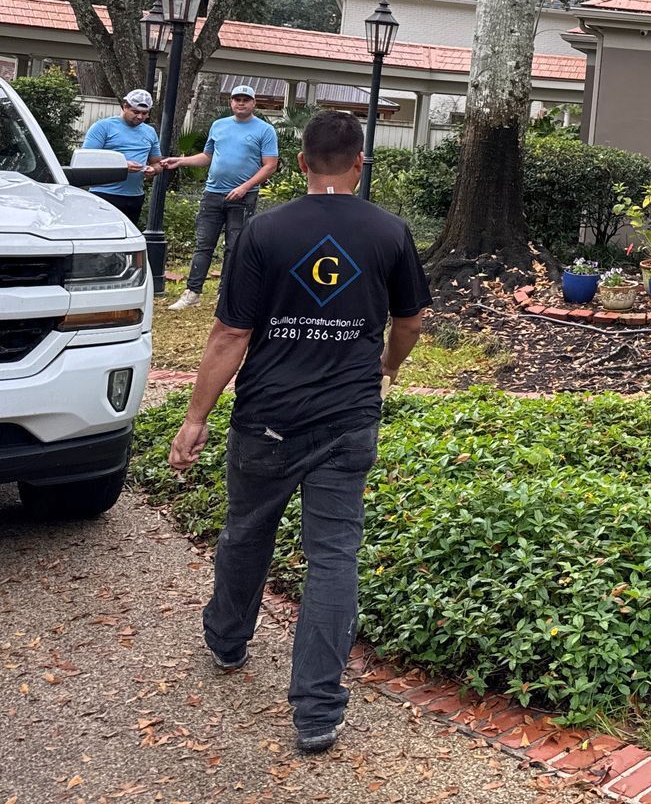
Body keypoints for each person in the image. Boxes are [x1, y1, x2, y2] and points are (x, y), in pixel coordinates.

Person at [167, 109, 430, 755]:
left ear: (304, 163)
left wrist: (195, 417)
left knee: (247, 531)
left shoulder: (264, 231)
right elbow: (413, 319)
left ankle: (228, 642)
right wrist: (388, 367)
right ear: (361, 162)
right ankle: (317, 711)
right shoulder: (390, 232)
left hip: (267, 421)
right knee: (334, 558)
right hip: (348, 421)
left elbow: (231, 333)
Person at [162, 83, 279, 309]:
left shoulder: (265, 130)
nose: (241, 103)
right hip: (212, 194)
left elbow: (270, 166)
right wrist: (180, 161)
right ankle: (192, 293)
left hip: (243, 198)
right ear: (231, 102)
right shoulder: (218, 126)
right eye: (237, 99)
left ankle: (224, 295)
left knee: (234, 247)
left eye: (246, 99)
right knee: (203, 244)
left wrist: (245, 187)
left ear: (254, 103)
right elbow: (207, 156)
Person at [80, 89, 165, 224]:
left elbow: (157, 163)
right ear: (125, 107)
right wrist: (121, 166)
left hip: (135, 196)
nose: (140, 117)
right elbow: (86, 160)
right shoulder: (103, 127)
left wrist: (153, 170)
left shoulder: (150, 132)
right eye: (135, 112)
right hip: (104, 194)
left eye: (144, 114)